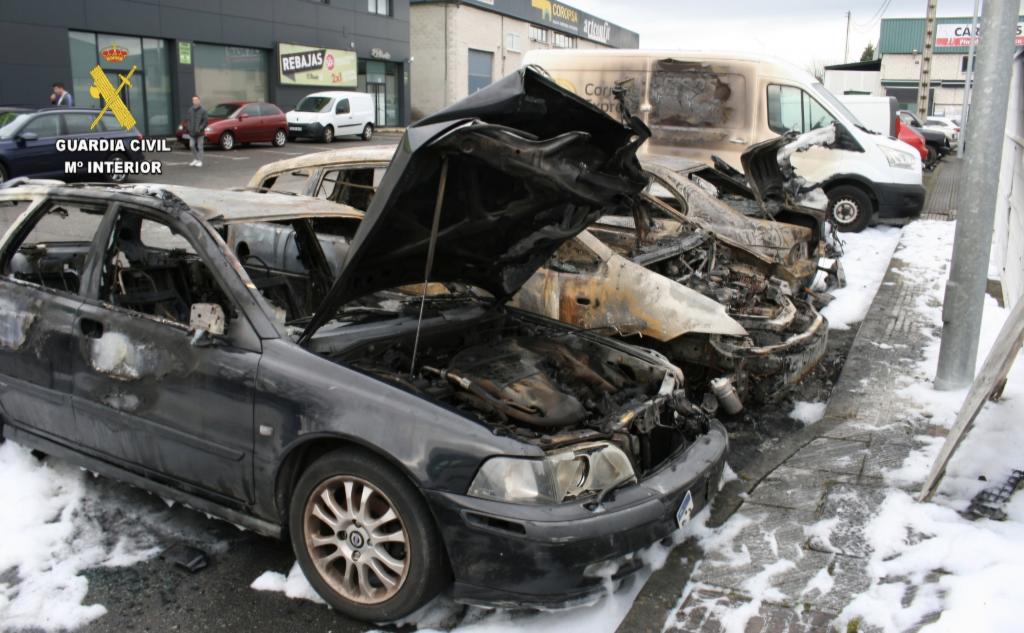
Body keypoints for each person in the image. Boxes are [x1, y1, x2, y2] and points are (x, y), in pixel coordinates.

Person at [186, 95, 207, 168]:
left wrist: (200, 128)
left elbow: (205, 122)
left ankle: (200, 161)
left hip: (200, 133)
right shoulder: (190, 110)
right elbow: (188, 120)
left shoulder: (203, 110)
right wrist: (188, 128)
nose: (195, 101)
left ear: (199, 100)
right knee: (191, 146)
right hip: (192, 132)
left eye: (196, 100)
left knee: (200, 147)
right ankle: (196, 159)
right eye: (193, 100)